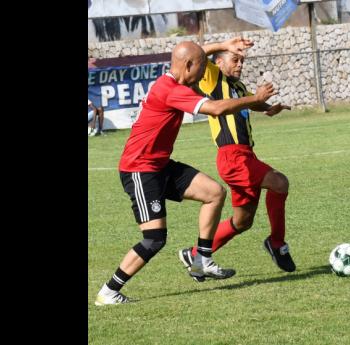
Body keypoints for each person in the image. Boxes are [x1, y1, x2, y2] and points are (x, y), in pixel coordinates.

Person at [94, 40, 277, 305]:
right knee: (154, 239)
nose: (204, 74)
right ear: (188, 66)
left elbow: (195, 53)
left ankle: (201, 259)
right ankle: (109, 291)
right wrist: (256, 99)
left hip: (159, 165)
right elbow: (215, 109)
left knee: (214, 193)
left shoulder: (175, 80)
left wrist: (224, 44)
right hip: (140, 170)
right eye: (201, 68)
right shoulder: (170, 90)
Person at [178, 37, 295, 282]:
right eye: (235, 59)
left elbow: (253, 102)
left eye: (242, 60)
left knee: (243, 222)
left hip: (245, 156)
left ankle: (193, 254)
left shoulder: (239, 87)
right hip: (232, 157)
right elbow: (197, 52)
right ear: (218, 63)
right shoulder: (212, 78)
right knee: (280, 183)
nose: (240, 64)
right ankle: (276, 243)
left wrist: (269, 107)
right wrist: (223, 45)